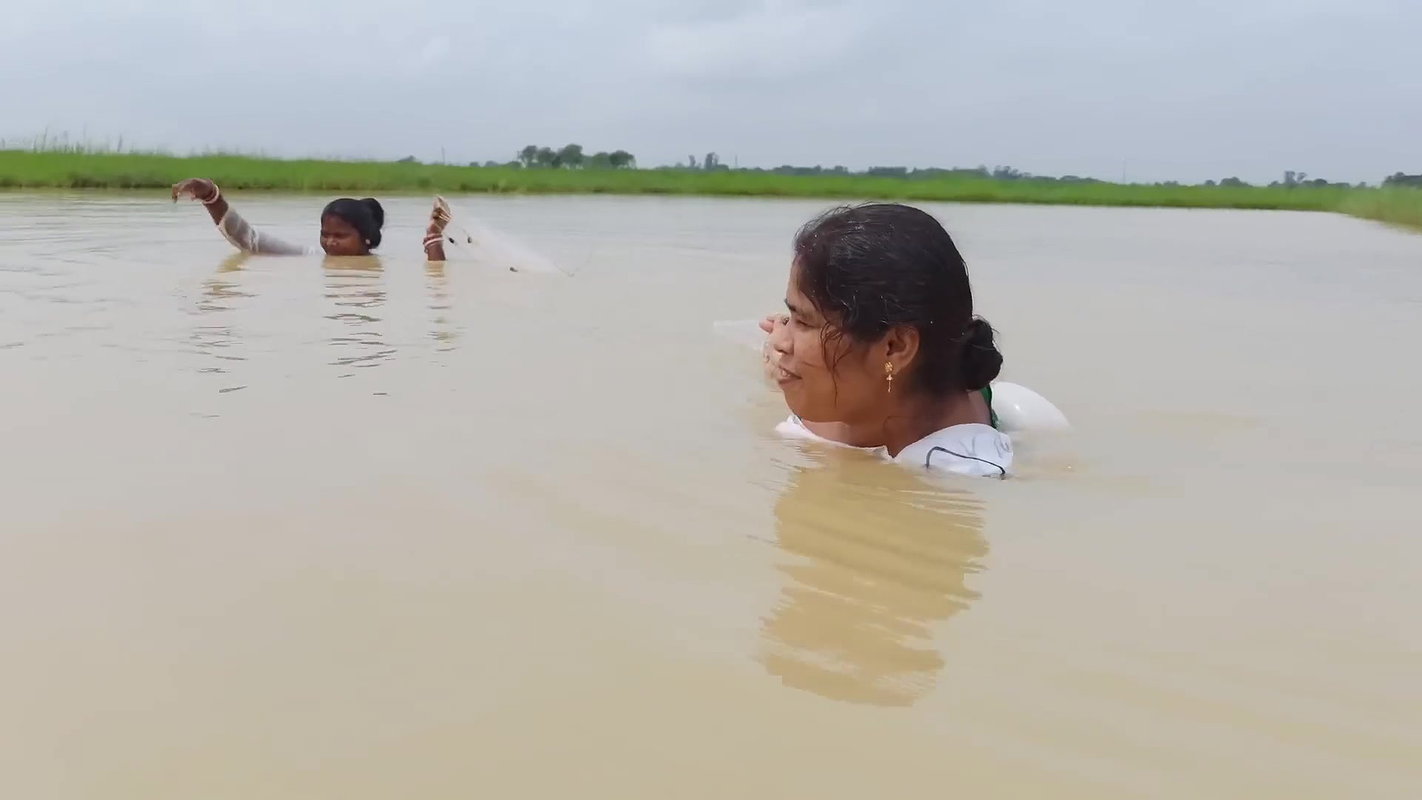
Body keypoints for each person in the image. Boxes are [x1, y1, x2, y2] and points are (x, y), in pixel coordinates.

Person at [760, 203, 1012, 477]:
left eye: (805, 321)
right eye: (790, 317)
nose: (782, 340)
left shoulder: (956, 471)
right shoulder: (870, 393)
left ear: (895, 347)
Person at [171, 178, 450, 259]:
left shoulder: (388, 269)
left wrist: (435, 233)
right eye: (325, 234)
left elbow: (436, 279)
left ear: (367, 237)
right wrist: (212, 197)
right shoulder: (311, 256)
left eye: (340, 236)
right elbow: (249, 239)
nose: (330, 242)